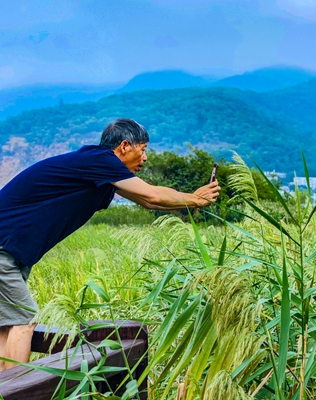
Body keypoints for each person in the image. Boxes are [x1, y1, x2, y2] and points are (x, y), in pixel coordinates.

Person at [0, 118, 220, 371]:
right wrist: (195, 200)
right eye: (144, 149)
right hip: (4, 249)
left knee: (8, 324)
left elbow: (149, 202)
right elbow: (153, 194)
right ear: (125, 146)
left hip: (13, 251)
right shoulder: (100, 160)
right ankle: (16, 391)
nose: (146, 158)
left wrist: (194, 199)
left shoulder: (99, 169)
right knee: (24, 322)